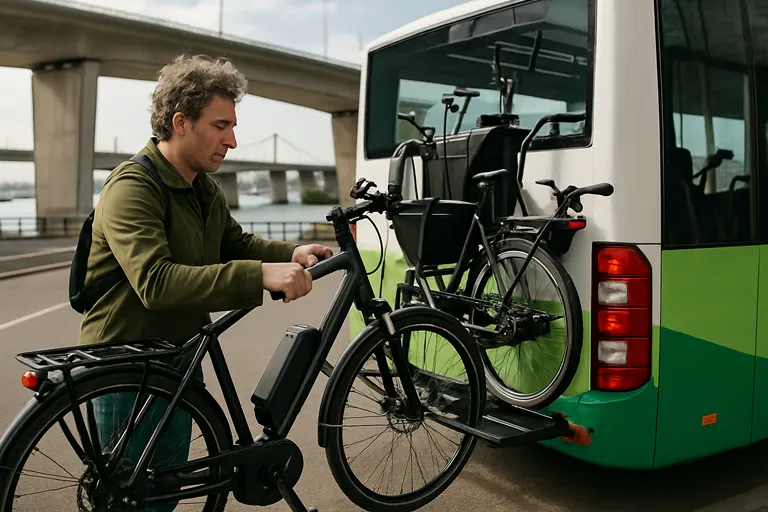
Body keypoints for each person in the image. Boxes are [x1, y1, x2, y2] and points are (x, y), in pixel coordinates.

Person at [80, 54, 333, 510]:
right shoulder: (132, 187)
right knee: (131, 499)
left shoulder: (202, 187)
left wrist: (290, 253)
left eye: (232, 127)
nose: (232, 141)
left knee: (167, 490)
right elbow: (155, 282)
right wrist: (258, 276)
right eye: (221, 126)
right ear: (181, 123)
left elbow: (234, 242)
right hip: (128, 363)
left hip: (177, 359)